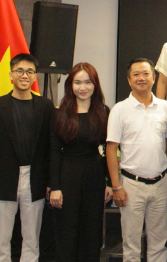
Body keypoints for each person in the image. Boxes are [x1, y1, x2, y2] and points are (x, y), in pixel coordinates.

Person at [0, 53, 54, 262]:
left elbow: (51, 148)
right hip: (4, 179)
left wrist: (51, 181)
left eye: (30, 71)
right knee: (2, 240)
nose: (24, 75)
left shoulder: (45, 106)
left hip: (35, 179)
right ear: (11, 75)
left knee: (32, 239)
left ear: (35, 76)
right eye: (19, 71)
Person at [106, 58, 167, 262]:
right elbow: (111, 149)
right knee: (131, 245)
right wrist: (116, 186)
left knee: (159, 242)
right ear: (129, 80)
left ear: (154, 78)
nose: (141, 78)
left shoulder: (165, 107)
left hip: (160, 183)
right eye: (136, 74)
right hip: (131, 185)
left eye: (146, 74)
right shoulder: (120, 109)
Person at [49, 63, 112, 262]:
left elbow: (109, 150)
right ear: (70, 85)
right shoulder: (59, 113)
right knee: (67, 233)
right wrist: (55, 187)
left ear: (95, 85)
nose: (83, 88)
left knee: (92, 233)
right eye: (77, 82)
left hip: (94, 177)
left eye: (87, 82)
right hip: (67, 177)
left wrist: (110, 182)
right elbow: (53, 151)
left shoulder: (104, 111)